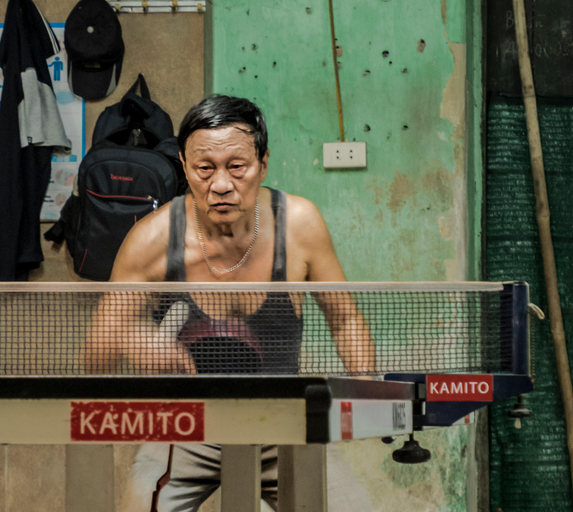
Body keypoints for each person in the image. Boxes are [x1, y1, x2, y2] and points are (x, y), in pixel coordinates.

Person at [85, 95, 375, 511]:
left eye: (236, 167)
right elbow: (96, 355)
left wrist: (364, 391)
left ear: (263, 163)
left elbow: (345, 320)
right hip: (185, 424)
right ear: (185, 167)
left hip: (284, 420)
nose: (221, 184)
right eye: (205, 169)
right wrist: (138, 345)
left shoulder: (299, 225)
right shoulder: (152, 240)